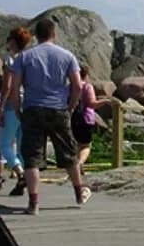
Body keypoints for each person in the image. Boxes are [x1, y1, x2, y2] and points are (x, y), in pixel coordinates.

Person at [6, 18, 92, 215]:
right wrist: (70, 107)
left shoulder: (24, 57)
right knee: (69, 154)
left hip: (32, 108)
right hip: (57, 108)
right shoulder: (67, 56)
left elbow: (14, 87)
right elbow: (77, 86)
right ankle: (79, 192)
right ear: (54, 33)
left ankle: (34, 202)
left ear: (36, 35)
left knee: (32, 157)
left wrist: (17, 109)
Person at [0, 26, 31, 196]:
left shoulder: (10, 60)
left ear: (13, 41)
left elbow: (7, 86)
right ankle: (24, 178)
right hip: (28, 103)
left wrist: (1, 106)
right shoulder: (30, 58)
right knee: (22, 144)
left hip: (12, 103)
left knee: (4, 144)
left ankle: (20, 173)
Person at [71, 64, 110, 175]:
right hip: (85, 118)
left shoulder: (71, 86)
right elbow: (92, 104)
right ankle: (80, 164)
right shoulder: (87, 87)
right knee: (86, 145)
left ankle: (78, 169)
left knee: (76, 144)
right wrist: (106, 101)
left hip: (72, 118)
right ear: (86, 74)